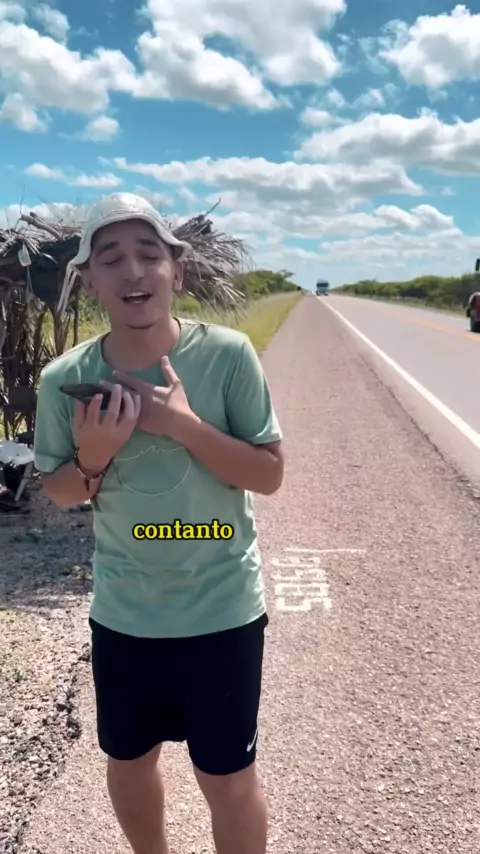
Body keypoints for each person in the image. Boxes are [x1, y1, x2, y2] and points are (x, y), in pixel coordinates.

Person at [33, 193, 284, 854]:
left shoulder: (227, 356)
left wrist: (182, 425)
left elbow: (268, 475)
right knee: (129, 762)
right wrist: (93, 456)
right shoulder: (66, 377)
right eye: (111, 259)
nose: (133, 272)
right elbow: (59, 491)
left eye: (149, 254)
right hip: (126, 615)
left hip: (223, 612)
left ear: (178, 269)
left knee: (226, 776)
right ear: (87, 280)